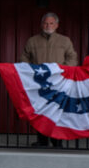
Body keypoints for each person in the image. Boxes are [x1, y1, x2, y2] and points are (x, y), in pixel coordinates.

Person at [21, 12, 78, 146]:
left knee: (57, 111)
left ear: (57, 25)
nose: (48, 25)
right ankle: (42, 141)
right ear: (41, 25)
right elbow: (24, 58)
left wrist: (63, 71)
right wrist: (31, 70)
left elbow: (72, 58)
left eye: (51, 23)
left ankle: (57, 141)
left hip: (58, 83)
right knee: (40, 112)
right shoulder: (32, 41)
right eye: (46, 23)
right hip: (38, 83)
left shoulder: (65, 41)